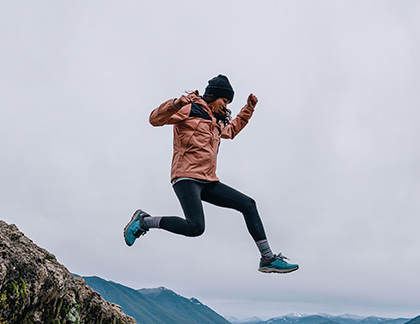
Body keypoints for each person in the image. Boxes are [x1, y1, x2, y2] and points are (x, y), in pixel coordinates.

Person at [123, 74, 298, 273]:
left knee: (248, 204)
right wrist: (176, 103)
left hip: (208, 180)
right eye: (224, 100)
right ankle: (144, 221)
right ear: (213, 96)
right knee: (195, 227)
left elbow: (231, 131)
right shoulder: (189, 108)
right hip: (186, 177)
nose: (225, 105)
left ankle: (267, 258)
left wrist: (248, 109)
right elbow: (154, 119)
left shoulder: (214, 121)